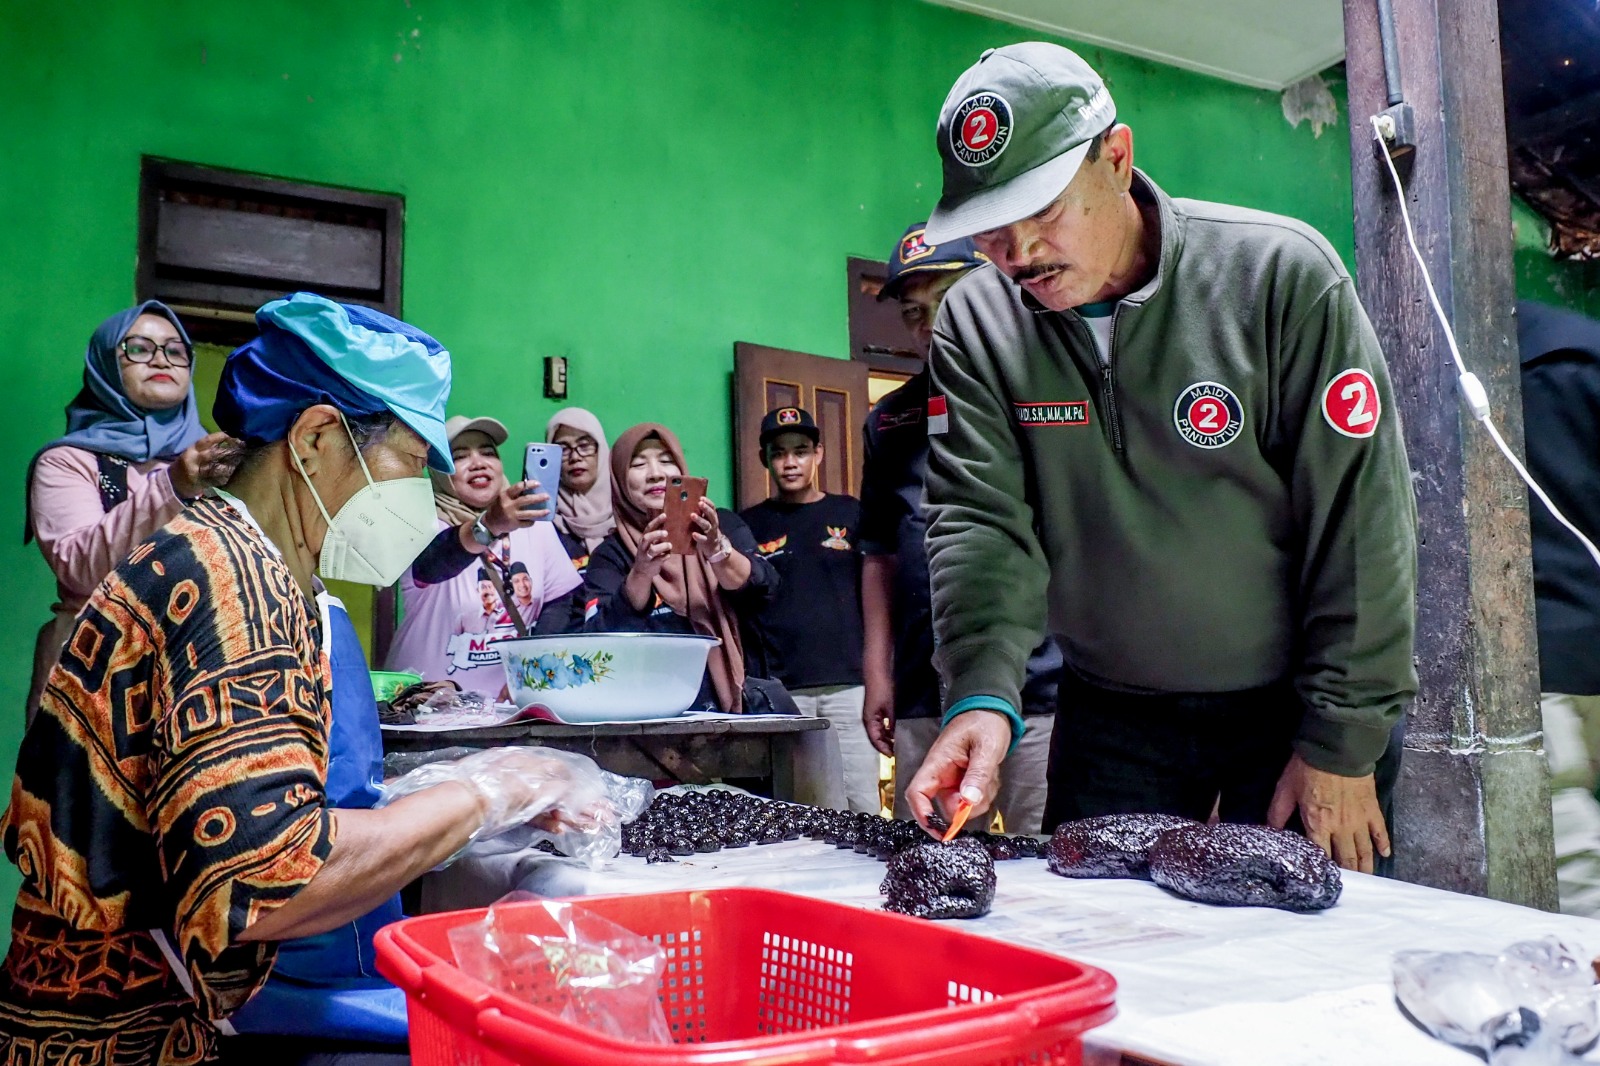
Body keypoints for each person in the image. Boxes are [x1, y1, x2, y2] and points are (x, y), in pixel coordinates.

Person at [0, 292, 591, 1062]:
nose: (422, 501)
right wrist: (493, 791)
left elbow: (238, 786)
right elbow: (274, 881)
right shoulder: (227, 589)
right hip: (139, 1033)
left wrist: (446, 793)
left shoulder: (257, 567)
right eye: (411, 465)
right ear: (315, 440)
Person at [905, 43, 1418, 874]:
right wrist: (980, 695)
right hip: (1113, 714)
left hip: (1293, 710)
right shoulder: (979, 325)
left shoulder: (1282, 279)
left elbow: (1362, 525)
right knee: (1107, 953)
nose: (1022, 251)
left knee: (1308, 961)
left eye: (1044, 209)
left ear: (1117, 157)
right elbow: (978, 525)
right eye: (992, 229)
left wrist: (1344, 739)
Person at [862, 224, 1062, 834]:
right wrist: (878, 673)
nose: (929, 325)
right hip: (927, 682)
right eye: (912, 312)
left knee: (1050, 850)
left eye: (944, 302)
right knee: (931, 856)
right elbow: (878, 554)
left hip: (1039, 680)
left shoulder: (1039, 391)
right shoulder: (890, 421)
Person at [23, 301, 241, 719]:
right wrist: (173, 484)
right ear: (107, 361)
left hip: (197, 672)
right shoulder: (68, 461)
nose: (162, 359)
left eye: (176, 350)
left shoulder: (218, 459)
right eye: (139, 348)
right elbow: (81, 567)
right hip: (92, 674)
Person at [584, 424, 778, 714]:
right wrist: (642, 572)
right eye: (638, 464)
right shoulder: (610, 554)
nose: (655, 473)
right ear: (619, 479)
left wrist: (717, 550)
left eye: (665, 460)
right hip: (650, 714)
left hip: (741, 709)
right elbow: (599, 639)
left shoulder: (721, 524)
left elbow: (765, 591)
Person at [740, 406, 878, 813]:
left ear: (818, 454)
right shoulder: (750, 525)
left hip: (849, 686)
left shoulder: (850, 513)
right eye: (779, 453)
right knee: (802, 808)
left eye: (800, 451)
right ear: (765, 459)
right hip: (783, 691)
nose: (790, 462)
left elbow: (875, 597)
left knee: (862, 805)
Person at [384, 415, 582, 698]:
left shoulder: (534, 526)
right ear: (439, 471)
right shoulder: (419, 525)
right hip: (426, 710)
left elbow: (561, 605)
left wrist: (529, 672)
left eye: (488, 453)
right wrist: (489, 526)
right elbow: (435, 564)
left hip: (507, 714)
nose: (478, 463)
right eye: (460, 457)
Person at [1517, 300, 1600, 916]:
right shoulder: (1584, 350)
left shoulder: (1456, 364)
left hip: (1536, 659)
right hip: (1581, 643)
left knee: (1570, 866)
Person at [545, 406, 614, 579]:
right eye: (563, 449)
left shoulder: (627, 513)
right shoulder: (543, 519)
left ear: (602, 450)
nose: (575, 457)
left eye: (584, 446)